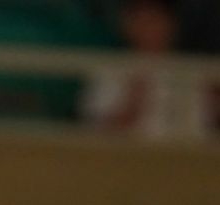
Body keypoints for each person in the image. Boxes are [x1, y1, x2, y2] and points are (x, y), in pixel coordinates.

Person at [81, 0, 212, 142]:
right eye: (141, 21)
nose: (148, 29)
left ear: (171, 24)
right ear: (127, 25)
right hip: (125, 157)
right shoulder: (110, 70)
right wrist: (131, 106)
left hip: (180, 157)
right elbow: (95, 134)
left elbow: (201, 133)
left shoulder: (189, 72)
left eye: (154, 20)